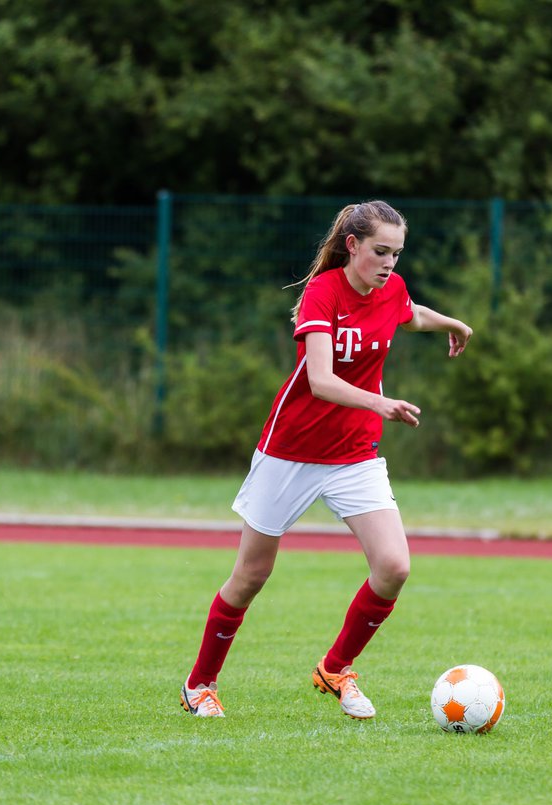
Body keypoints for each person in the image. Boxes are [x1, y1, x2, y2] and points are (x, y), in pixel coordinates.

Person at [180, 200, 472, 719]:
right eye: (380, 251)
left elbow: (409, 314)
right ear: (352, 245)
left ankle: (336, 668)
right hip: (289, 451)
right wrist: (381, 402)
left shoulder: (392, 289)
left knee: (394, 567)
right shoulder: (323, 292)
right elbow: (320, 379)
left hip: (355, 454)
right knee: (250, 576)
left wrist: (451, 322)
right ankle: (200, 684)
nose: (389, 264)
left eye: (398, 254)